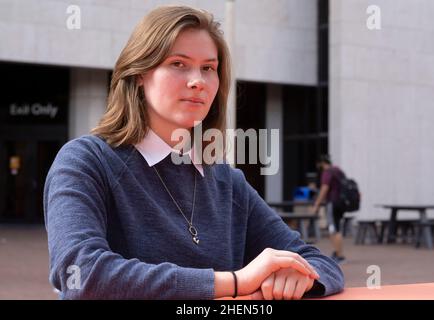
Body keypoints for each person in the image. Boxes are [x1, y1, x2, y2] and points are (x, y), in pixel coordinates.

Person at [44, 5, 344, 300]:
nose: (197, 81)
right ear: (139, 73)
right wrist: (236, 282)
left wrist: (297, 277)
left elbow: (319, 263)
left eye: (208, 68)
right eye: (178, 64)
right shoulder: (86, 161)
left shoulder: (226, 181)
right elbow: (80, 272)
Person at [310, 155, 347, 264]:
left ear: (321, 163)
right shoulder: (338, 170)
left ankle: (340, 255)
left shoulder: (327, 172)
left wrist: (317, 204)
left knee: (334, 229)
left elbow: (324, 188)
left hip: (332, 203)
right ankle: (337, 253)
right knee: (336, 228)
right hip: (341, 203)